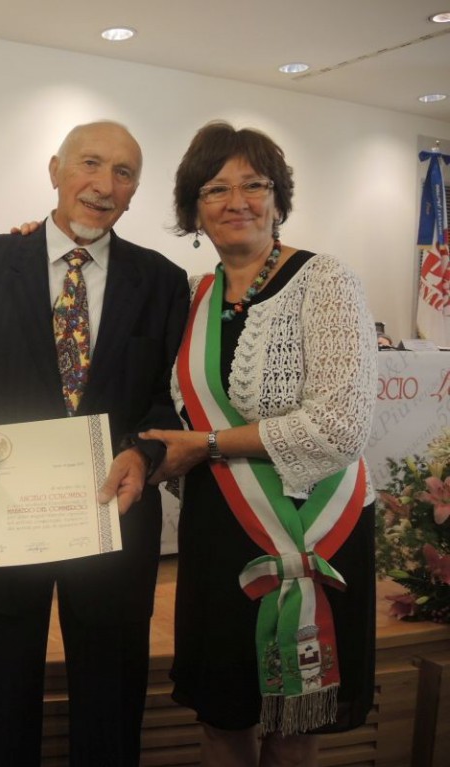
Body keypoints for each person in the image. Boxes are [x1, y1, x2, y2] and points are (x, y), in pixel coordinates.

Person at [0, 120, 189, 767]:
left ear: (135, 191)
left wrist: (144, 452)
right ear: (55, 170)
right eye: (90, 163)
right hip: (2, 520)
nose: (104, 184)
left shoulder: (164, 281)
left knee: (111, 720)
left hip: (114, 520)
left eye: (123, 173)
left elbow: (167, 401)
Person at [141, 121, 377, 766]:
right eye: (215, 189)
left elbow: (339, 425)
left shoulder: (325, 281)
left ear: (278, 199)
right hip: (222, 524)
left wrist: (209, 444)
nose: (236, 201)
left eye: (254, 184)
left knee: (294, 723)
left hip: (316, 522)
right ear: (194, 209)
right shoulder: (192, 296)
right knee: (223, 713)